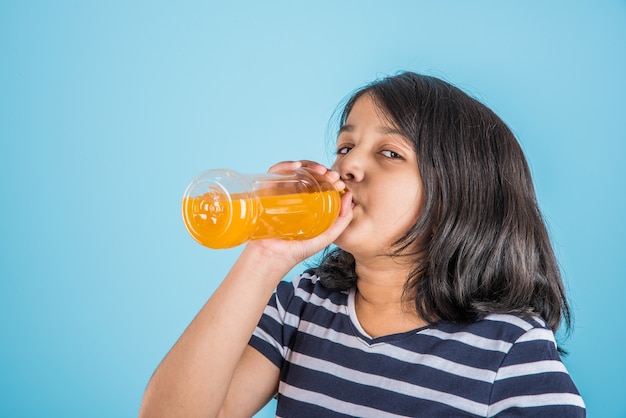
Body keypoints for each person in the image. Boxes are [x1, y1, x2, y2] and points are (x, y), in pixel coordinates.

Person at [139, 72, 586, 417]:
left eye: (389, 153)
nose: (349, 165)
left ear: (463, 192)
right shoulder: (302, 307)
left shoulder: (510, 350)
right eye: (345, 145)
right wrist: (265, 253)